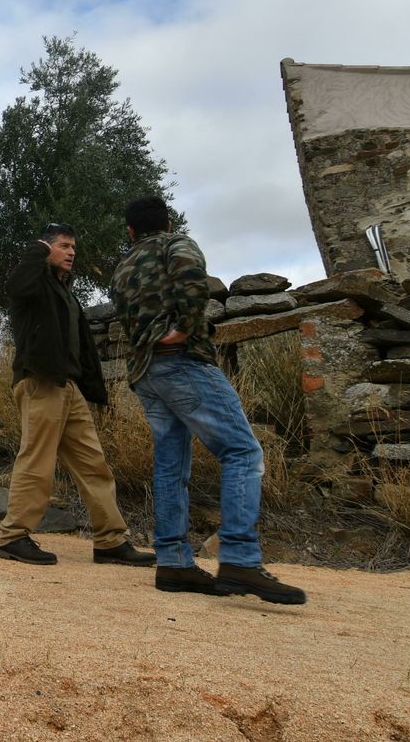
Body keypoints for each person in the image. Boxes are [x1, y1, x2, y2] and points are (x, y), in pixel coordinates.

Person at [110, 196, 307, 604]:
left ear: (130, 230)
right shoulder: (175, 244)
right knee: (241, 451)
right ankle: (239, 559)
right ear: (166, 222)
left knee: (170, 464)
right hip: (181, 363)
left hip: (146, 372)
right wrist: (184, 329)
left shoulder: (123, 266)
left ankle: (175, 563)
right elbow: (194, 282)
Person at [0, 224, 154, 568]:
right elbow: (15, 285)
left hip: (68, 387)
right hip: (40, 382)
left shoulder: (65, 292)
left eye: (74, 248)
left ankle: (110, 541)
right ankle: (14, 536)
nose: (71, 252)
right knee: (37, 461)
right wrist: (37, 248)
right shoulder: (34, 283)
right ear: (45, 247)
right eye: (64, 246)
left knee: (93, 464)